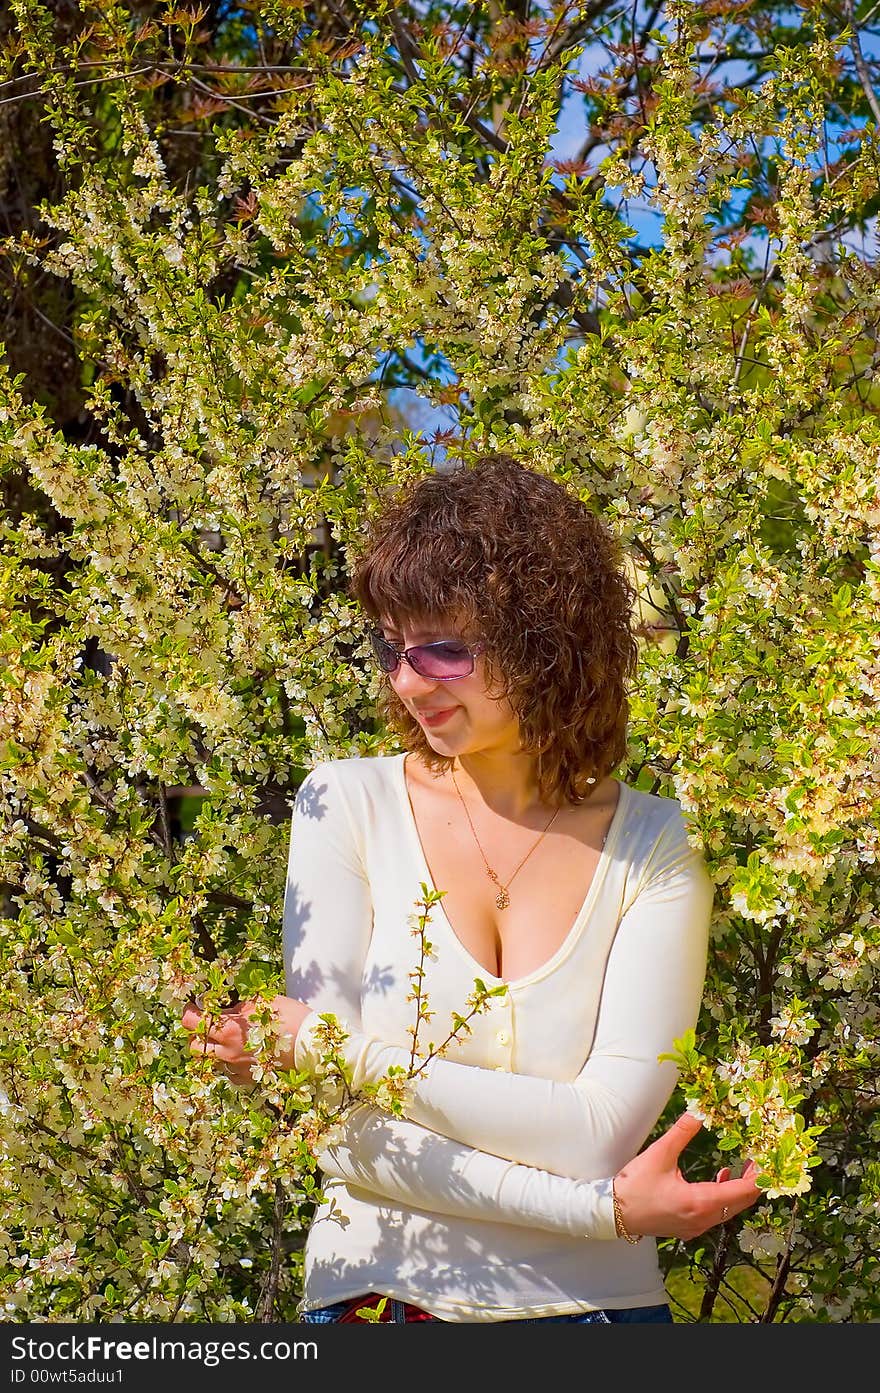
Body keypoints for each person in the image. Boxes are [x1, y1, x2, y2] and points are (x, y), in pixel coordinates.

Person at [182, 452, 760, 1324]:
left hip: (597, 1319)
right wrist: (599, 1210)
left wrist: (340, 1050)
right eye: (392, 647)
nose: (408, 681)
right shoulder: (347, 804)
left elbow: (595, 1133)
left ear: (544, 644)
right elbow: (338, 1133)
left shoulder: (655, 847)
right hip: (377, 1302)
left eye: (444, 649)